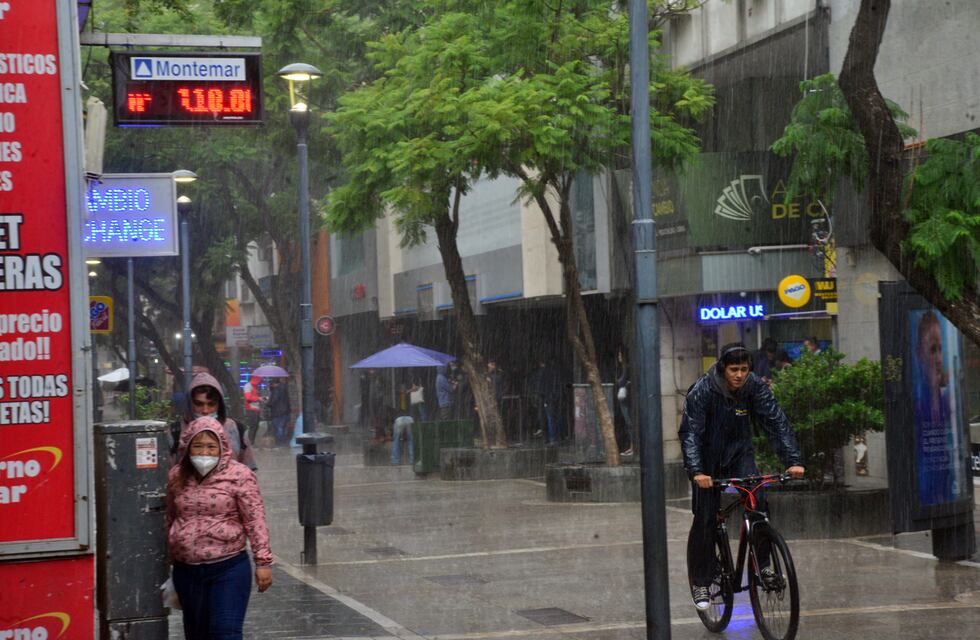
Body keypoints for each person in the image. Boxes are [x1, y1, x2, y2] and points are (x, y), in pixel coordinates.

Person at [678, 343, 805, 611]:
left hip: (739, 454)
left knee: (757, 501)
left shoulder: (753, 386)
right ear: (723, 369)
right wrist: (697, 470)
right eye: (734, 369)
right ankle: (700, 581)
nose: (739, 375)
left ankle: (764, 567)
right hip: (706, 461)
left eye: (744, 370)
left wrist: (792, 460)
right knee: (706, 517)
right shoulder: (702, 391)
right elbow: (690, 433)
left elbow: (775, 421)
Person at [166, 416, 273, 639]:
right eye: (198, 445)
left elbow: (254, 520)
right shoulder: (177, 476)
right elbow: (170, 517)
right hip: (187, 571)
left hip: (229, 568)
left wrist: (263, 561)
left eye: (211, 446)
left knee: (225, 632)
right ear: (187, 446)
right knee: (197, 634)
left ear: (222, 447)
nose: (205, 452)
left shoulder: (240, 476)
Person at [170, 372, 256, 471]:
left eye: (211, 404)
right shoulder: (175, 432)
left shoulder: (236, 430)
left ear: (219, 405)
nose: (205, 410)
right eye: (199, 404)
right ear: (190, 404)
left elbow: (249, 472)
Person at [614, 349, 633, 456]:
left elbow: (622, 381)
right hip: (624, 399)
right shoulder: (623, 368)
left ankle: (632, 447)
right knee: (628, 423)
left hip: (626, 399)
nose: (619, 357)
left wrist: (620, 382)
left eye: (620, 354)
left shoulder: (627, 368)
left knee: (629, 423)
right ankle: (631, 446)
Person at [266, 378, 291, 446]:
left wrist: (267, 403)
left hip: (278, 412)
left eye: (271, 384)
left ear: (274, 384)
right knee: (283, 428)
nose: (270, 385)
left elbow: (273, 401)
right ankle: (284, 443)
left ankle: (280, 443)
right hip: (285, 412)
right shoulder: (284, 388)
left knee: (278, 428)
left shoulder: (276, 390)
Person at [243, 375, 263, 444]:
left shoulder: (254, 386)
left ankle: (251, 442)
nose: (260, 382)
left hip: (255, 408)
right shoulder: (248, 386)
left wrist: (260, 398)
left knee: (255, 426)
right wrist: (258, 398)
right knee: (253, 425)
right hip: (251, 408)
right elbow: (248, 398)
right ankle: (249, 442)